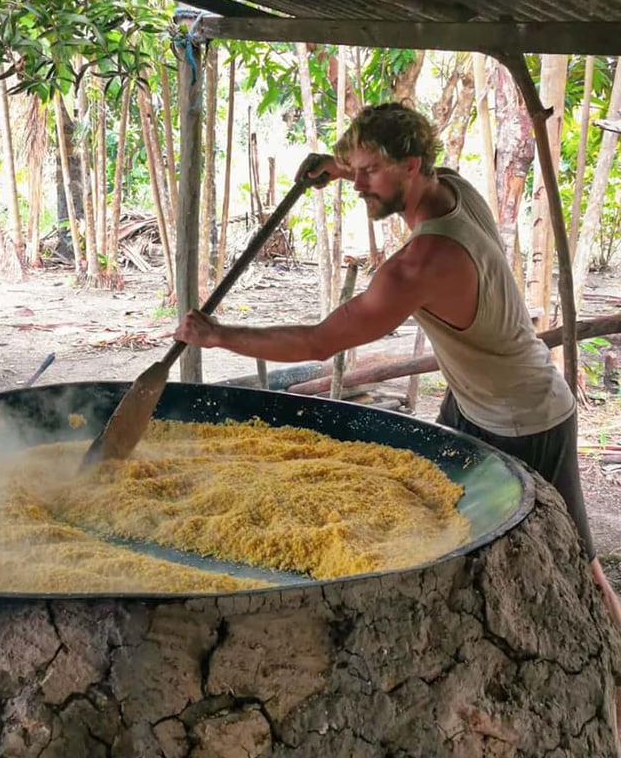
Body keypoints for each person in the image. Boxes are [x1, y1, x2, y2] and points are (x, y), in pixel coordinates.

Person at [173, 101, 621, 627]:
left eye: (369, 172)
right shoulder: (451, 187)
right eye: (355, 170)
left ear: (410, 166)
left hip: (524, 418)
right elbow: (387, 176)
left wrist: (219, 336)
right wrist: (339, 168)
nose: (358, 184)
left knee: (576, 562)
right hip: (474, 403)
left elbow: (319, 342)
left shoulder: (420, 266)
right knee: (451, 526)